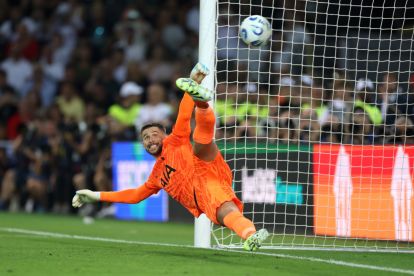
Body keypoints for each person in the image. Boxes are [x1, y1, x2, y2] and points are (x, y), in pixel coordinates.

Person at [72, 63, 269, 251]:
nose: (150, 140)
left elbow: (183, 115)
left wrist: (191, 86)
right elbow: (134, 196)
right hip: (204, 194)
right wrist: (95, 195)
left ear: (164, 135)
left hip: (205, 170)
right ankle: (251, 235)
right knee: (227, 214)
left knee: (201, 144)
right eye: (145, 138)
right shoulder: (157, 175)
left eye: (154, 134)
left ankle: (201, 103)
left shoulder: (174, 140)